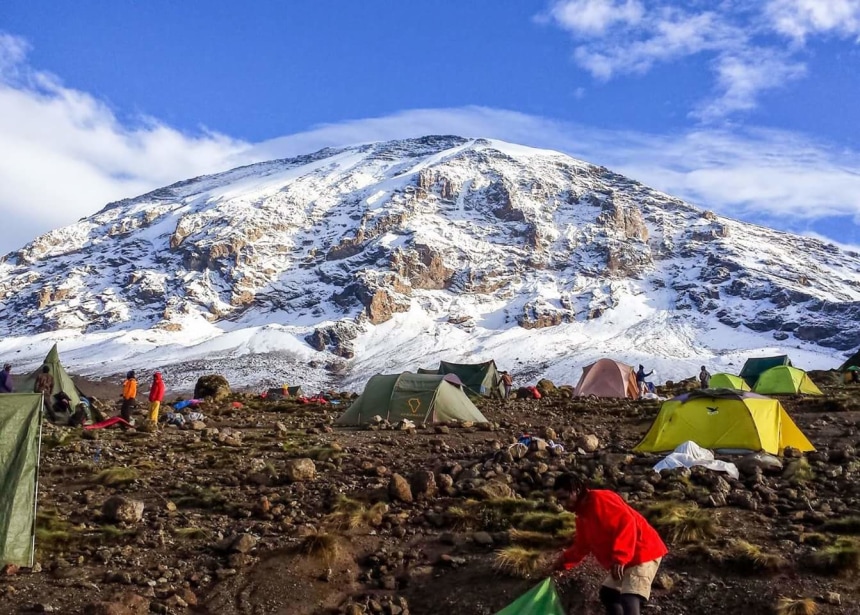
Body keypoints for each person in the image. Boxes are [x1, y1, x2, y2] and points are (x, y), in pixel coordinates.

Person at [553, 473, 667, 615]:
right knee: (609, 594)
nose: (563, 504)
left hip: (642, 551)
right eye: (559, 500)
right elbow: (582, 546)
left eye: (565, 498)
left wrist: (620, 557)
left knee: (629, 597)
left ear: (576, 490)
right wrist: (562, 563)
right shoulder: (582, 516)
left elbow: (626, 522)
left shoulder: (600, 499)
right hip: (627, 558)